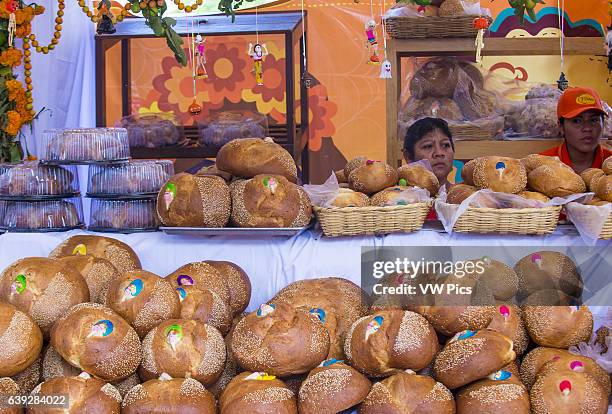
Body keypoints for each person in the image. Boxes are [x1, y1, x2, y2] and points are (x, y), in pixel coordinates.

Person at [540, 86, 612, 174]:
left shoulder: (609, 161)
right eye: (577, 121)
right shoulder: (542, 164)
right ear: (561, 127)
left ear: (603, 123)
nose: (587, 128)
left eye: (593, 120)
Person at [403, 117, 455, 189]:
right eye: (428, 146)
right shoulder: (397, 198)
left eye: (445, 145)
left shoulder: (468, 197)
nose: (439, 153)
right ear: (408, 157)